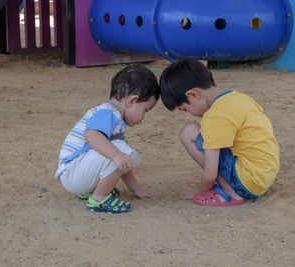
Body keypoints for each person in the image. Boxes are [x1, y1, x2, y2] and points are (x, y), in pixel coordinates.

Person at [159, 58, 279, 206]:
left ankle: (230, 192)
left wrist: (203, 190)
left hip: (247, 182)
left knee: (189, 132)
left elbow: (210, 174)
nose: (189, 113)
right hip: (265, 175)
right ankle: (234, 186)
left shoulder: (214, 116)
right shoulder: (239, 98)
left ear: (193, 95)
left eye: (184, 109)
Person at [55, 65, 160, 213]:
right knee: (120, 150)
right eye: (145, 110)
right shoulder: (107, 113)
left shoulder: (114, 119)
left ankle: (92, 190)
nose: (143, 117)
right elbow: (91, 134)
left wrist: (137, 190)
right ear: (131, 100)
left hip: (77, 175)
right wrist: (117, 155)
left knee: (121, 151)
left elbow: (123, 165)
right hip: (73, 173)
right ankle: (99, 199)